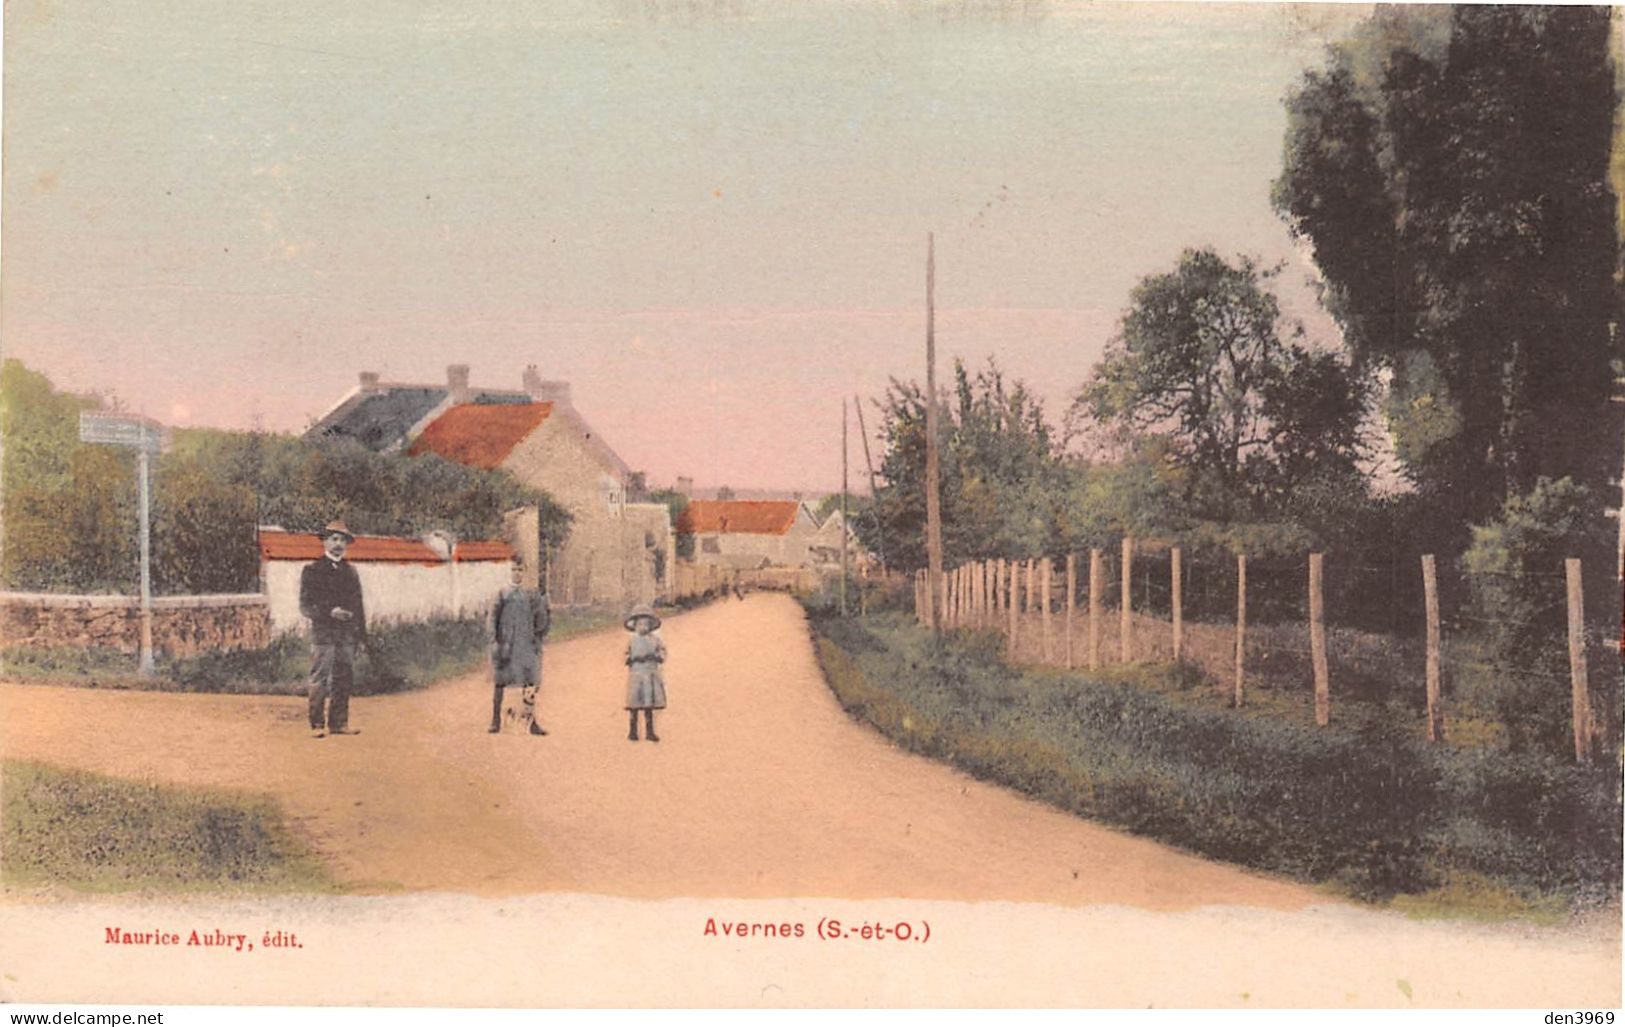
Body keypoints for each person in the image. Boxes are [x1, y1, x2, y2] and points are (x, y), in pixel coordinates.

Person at [299, 520, 365, 739]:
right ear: (325, 541)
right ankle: (317, 724)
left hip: (346, 634)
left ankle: (339, 723)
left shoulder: (351, 571)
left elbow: (358, 605)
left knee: (344, 677)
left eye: (342, 540)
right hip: (324, 633)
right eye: (334, 539)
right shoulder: (312, 570)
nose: (338, 544)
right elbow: (306, 605)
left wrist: (360, 635)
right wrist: (330, 612)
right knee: (320, 677)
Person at [490, 559, 549, 735]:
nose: (517, 573)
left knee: (529, 682)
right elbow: (492, 618)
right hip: (506, 644)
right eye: (513, 569)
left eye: (520, 570)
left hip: (526, 644)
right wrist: (494, 640)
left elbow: (541, 617)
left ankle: (532, 722)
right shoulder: (502, 594)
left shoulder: (531, 595)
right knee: (500, 681)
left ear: (524, 572)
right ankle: (495, 720)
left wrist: (537, 637)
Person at [623, 604, 666, 742]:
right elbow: (625, 654)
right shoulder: (632, 641)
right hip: (636, 674)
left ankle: (650, 731)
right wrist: (630, 659)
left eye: (646, 624)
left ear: (650, 625)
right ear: (635, 625)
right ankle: (633, 731)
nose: (643, 627)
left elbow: (662, 652)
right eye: (640, 624)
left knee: (649, 704)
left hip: (650, 673)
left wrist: (657, 656)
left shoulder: (655, 640)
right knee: (634, 703)